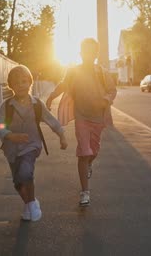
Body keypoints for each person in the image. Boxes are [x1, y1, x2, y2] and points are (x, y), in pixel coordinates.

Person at [45, 38, 117, 207]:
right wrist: (51, 97)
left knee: (93, 151)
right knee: (83, 152)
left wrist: (106, 100)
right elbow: (63, 85)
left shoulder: (102, 72)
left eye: (92, 51)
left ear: (96, 54)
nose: (89, 54)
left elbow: (112, 90)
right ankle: (85, 192)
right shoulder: (74, 71)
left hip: (98, 118)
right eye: (86, 51)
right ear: (81, 52)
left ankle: (89, 164)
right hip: (81, 118)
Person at [0, 65, 68, 222]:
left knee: (26, 173)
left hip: (31, 146)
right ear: (11, 86)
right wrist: (10, 135)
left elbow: (51, 120)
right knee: (17, 182)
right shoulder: (7, 106)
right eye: (16, 82)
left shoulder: (36, 105)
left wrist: (61, 135)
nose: (21, 85)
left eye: (24, 81)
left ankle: (31, 203)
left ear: (30, 82)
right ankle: (30, 204)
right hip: (11, 150)